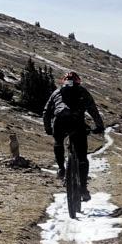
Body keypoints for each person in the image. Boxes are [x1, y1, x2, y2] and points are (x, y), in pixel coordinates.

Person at [42, 70, 106, 199]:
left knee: (58, 143)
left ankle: (61, 168)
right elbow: (93, 110)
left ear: (63, 81)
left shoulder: (57, 92)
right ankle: (83, 188)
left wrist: (48, 128)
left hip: (59, 123)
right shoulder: (82, 91)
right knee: (82, 157)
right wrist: (99, 126)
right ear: (78, 82)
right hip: (77, 123)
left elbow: (46, 112)